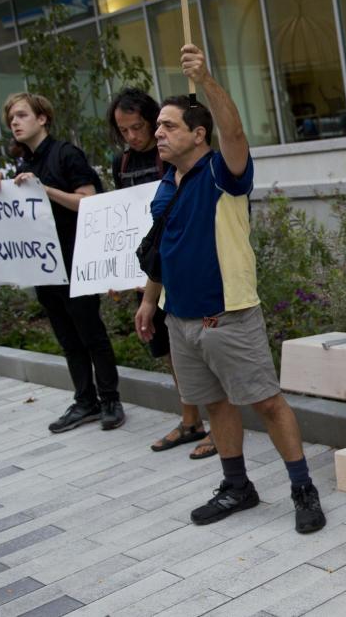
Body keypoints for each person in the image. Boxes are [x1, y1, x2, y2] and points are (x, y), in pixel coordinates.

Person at [134, 44, 326, 534]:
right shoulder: (167, 185)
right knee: (216, 405)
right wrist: (150, 299)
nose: (158, 133)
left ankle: (302, 487)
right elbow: (162, 247)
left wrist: (208, 77)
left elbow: (235, 132)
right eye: (156, 126)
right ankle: (237, 485)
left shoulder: (222, 172)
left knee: (266, 402)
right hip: (182, 320)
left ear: (199, 134)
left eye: (169, 125)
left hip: (229, 315)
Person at [0, 92, 124, 433]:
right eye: (11, 119)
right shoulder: (22, 164)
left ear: (42, 118)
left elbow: (90, 201)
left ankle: (110, 400)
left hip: (75, 261)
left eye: (21, 115)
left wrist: (45, 189)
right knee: (67, 337)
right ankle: (85, 400)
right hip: (44, 267)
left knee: (91, 333)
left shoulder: (66, 155)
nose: (14, 123)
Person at [108, 87, 215, 460]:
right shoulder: (120, 164)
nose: (134, 137)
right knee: (170, 347)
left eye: (139, 127)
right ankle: (190, 419)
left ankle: (219, 424)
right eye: (124, 131)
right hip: (151, 270)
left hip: (184, 270)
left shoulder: (171, 157)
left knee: (202, 347)